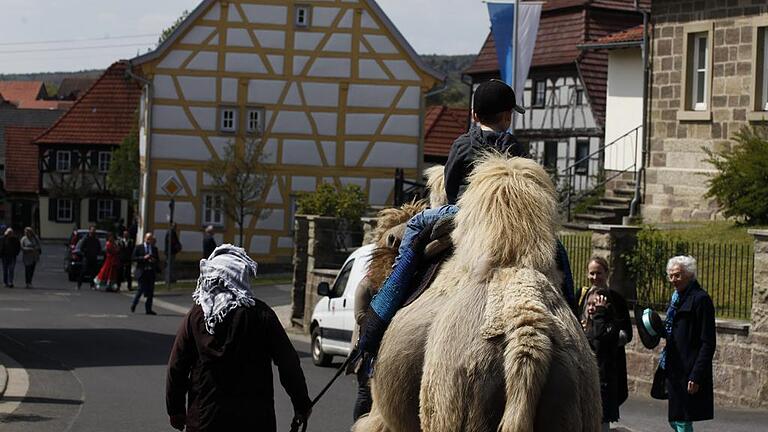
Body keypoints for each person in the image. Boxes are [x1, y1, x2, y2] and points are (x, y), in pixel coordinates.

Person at [357, 79, 576, 356]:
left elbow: (449, 187)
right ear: (508, 116)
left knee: (414, 227)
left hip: (463, 212)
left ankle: (386, 303)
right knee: (560, 253)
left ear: (474, 115)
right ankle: (572, 313)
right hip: (506, 218)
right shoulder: (515, 146)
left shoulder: (462, 143)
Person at [166, 244, 312, 431]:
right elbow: (288, 363)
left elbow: (176, 366)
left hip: (205, 419)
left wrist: (176, 410)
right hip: (255, 419)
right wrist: (301, 404)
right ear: (241, 276)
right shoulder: (261, 314)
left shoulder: (196, 316)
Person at [655, 256, 716, 432]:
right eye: (671, 276)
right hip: (674, 368)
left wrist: (696, 375)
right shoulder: (676, 299)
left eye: (678, 275)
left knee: (682, 419)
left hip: (688, 370)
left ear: (689, 275)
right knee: (675, 419)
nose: (673, 280)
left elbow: (708, 342)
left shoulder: (700, 299)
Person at [578, 256, 632, 413]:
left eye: (599, 273)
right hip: (584, 359)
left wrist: (606, 335)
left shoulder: (617, 299)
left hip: (607, 363)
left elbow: (626, 334)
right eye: (592, 273)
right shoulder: (581, 295)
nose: (595, 278)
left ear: (607, 274)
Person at [582, 288, 620, 431]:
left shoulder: (612, 326)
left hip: (603, 387)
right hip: (586, 385)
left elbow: (599, 342)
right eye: (590, 304)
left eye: (597, 305)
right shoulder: (584, 325)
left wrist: (600, 315)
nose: (592, 308)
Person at [131, 232, 159, 315]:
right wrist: (143, 258)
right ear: (144, 238)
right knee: (140, 289)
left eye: (150, 239)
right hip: (142, 271)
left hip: (150, 272)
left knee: (150, 291)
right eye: (147, 238)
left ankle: (148, 309)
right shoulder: (139, 247)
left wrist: (153, 260)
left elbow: (157, 259)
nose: (149, 240)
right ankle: (134, 304)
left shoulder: (154, 249)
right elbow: (133, 258)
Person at [77, 226, 102, 290]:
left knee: (93, 272)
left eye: (94, 230)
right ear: (89, 231)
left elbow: (99, 248)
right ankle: (79, 285)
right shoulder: (86, 239)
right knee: (83, 271)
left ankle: (92, 285)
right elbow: (81, 248)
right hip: (87, 257)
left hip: (94, 257)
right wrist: (85, 252)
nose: (93, 232)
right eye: (92, 230)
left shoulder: (96, 240)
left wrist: (97, 253)